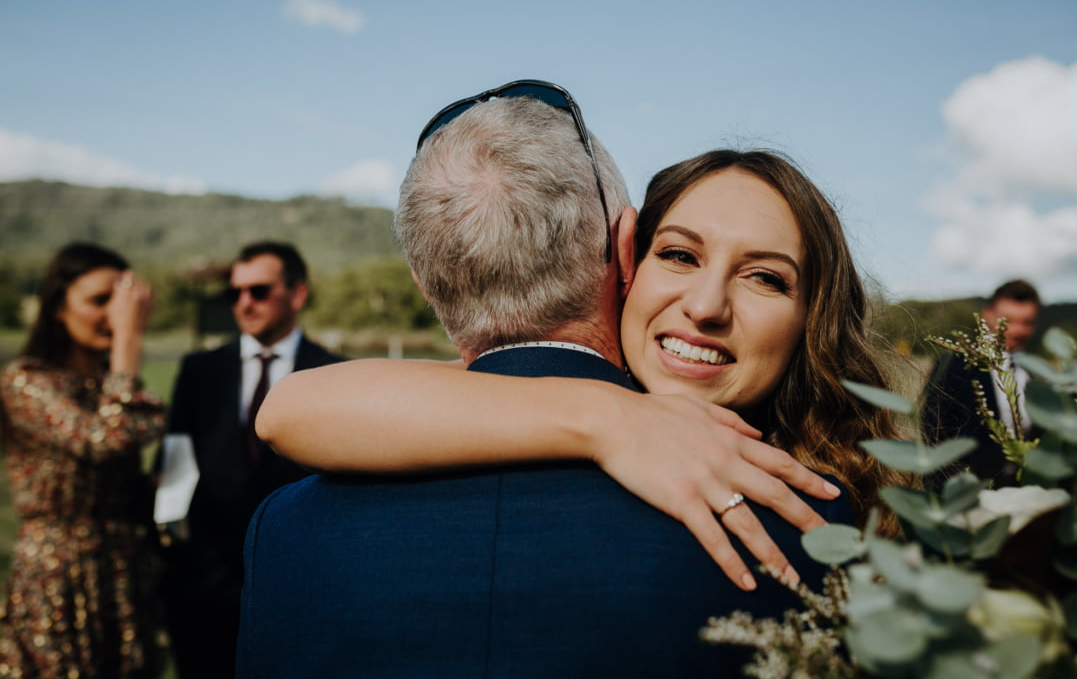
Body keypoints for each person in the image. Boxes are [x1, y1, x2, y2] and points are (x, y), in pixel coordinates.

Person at [239, 81, 902, 676]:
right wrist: (609, 418)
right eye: (679, 255)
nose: (706, 307)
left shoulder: (286, 530)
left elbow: (290, 408)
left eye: (765, 277)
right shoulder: (809, 526)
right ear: (627, 252)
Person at [159, 241, 344, 679]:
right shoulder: (198, 371)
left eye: (259, 291)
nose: (244, 302)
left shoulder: (334, 374)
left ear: (297, 293)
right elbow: (173, 473)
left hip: (302, 589)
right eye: (234, 292)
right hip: (204, 592)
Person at [0, 242, 166, 677]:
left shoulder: (107, 387)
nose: (114, 314)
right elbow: (104, 440)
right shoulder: (26, 381)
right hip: (59, 577)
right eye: (99, 300)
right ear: (58, 307)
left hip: (122, 574)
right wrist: (128, 339)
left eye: (122, 302)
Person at [921, 278, 1042, 486]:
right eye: (1008, 321)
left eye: (1026, 323)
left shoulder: (1038, 371)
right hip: (969, 490)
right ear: (987, 315)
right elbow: (933, 431)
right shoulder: (954, 364)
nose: (1017, 331)